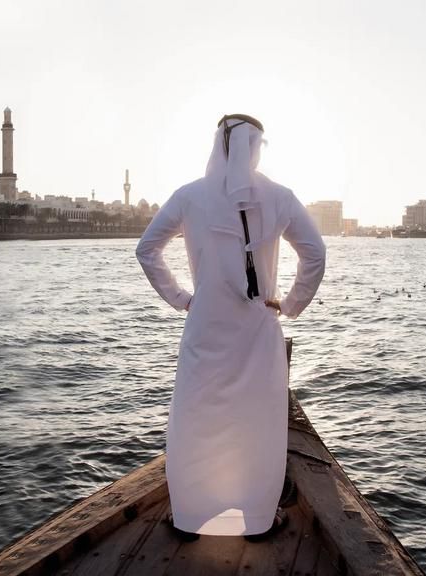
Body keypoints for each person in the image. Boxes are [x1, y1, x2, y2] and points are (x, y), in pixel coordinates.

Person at [136, 114, 326, 539]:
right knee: (257, 418)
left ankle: (189, 516)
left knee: (197, 414)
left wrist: (183, 299)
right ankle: (257, 518)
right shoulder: (281, 197)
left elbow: (147, 249)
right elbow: (315, 254)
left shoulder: (188, 196)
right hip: (258, 327)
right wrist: (292, 303)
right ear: (254, 147)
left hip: (205, 326)